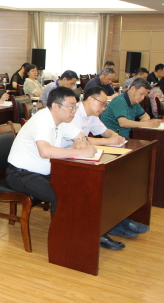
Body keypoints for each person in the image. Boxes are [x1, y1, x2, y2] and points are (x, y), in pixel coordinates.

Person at [7, 88, 125, 249]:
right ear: (56, 106)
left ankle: (93, 232)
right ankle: (63, 243)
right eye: (71, 107)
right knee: (62, 195)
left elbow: (82, 138)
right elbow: (45, 151)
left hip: (46, 172)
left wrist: (80, 143)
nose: (74, 111)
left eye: (75, 106)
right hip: (21, 174)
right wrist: (78, 151)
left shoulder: (64, 121)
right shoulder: (42, 120)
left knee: (83, 186)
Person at [62, 86, 150, 242]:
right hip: (67, 161)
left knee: (115, 178)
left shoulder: (92, 115)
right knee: (103, 182)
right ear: (91, 99)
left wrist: (116, 137)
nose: (103, 108)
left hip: (82, 157)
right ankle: (107, 226)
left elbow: (104, 131)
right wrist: (108, 141)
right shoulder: (74, 114)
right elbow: (81, 139)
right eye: (102, 104)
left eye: (105, 105)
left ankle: (117, 220)